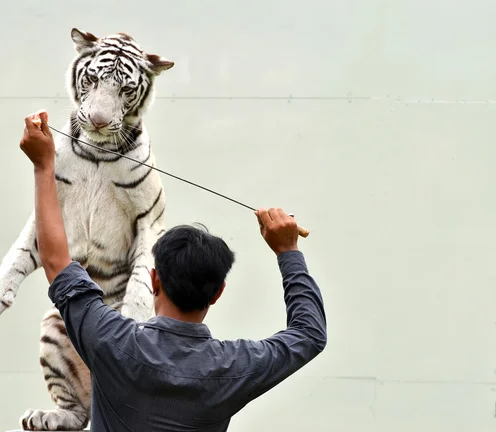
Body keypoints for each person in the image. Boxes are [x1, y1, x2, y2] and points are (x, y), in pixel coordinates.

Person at [19, 111, 327, 432]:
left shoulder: (111, 341)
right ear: (218, 293)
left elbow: (56, 261)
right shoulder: (233, 367)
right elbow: (309, 335)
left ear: (154, 280)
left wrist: (43, 167)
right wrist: (288, 251)